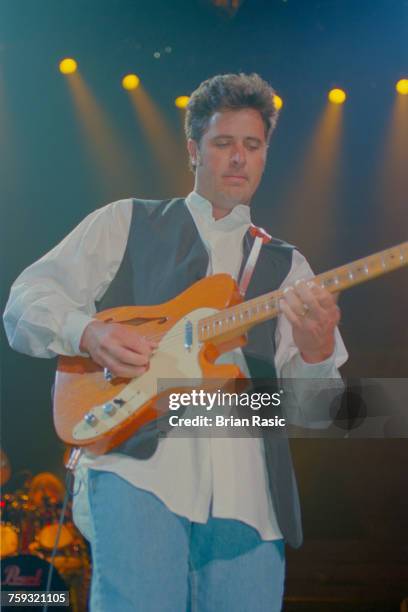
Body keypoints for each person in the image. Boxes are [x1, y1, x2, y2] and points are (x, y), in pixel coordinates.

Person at [3, 73, 347, 611]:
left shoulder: (290, 268)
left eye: (252, 146)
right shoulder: (127, 221)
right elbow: (26, 298)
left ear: (265, 155)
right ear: (193, 150)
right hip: (137, 469)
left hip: (251, 499)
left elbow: (319, 411)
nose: (239, 158)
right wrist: (88, 332)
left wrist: (317, 348)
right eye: (223, 143)